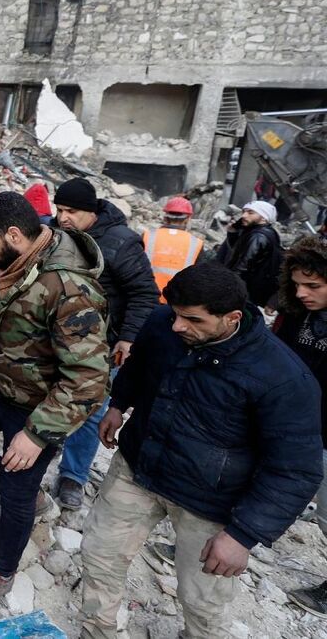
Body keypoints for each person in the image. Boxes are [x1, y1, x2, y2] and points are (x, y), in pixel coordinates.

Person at [82, 263, 322, 638]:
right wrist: (118, 404)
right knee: (100, 555)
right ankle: (96, 630)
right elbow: (139, 366)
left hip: (210, 500)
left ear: (232, 318)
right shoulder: (163, 323)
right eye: (176, 314)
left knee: (202, 599)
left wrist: (242, 535)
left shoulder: (282, 378)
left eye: (193, 319)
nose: (178, 326)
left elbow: (295, 470)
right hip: (138, 467)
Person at [0, 191, 110, 603]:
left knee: (16, 492)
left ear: (13, 234)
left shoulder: (70, 289)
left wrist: (36, 435)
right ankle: (28, 494)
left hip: (36, 407)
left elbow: (88, 378)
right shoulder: (19, 262)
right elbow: (6, 310)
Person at [52, 178, 159, 510]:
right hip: (57, 338)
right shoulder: (56, 235)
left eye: (71, 211)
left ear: (91, 212)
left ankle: (73, 476)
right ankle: (42, 447)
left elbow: (145, 294)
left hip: (102, 345)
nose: (63, 217)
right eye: (59, 210)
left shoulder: (121, 243)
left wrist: (128, 337)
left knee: (92, 411)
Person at [272, 238, 327, 616]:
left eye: (313, 286)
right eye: (296, 285)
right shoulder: (294, 314)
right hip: (284, 421)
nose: (302, 293)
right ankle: (205, 548)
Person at [216, 200, 282, 307]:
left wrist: (227, 287)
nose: (244, 215)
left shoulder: (258, 237)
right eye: (244, 211)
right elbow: (236, 249)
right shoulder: (262, 231)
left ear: (264, 218)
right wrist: (233, 231)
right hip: (249, 290)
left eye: (250, 213)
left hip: (244, 290)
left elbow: (242, 266)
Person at [142, 196, 204, 302]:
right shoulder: (196, 243)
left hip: (145, 295)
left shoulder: (147, 236)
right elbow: (197, 277)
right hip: (175, 300)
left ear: (165, 217)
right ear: (187, 219)